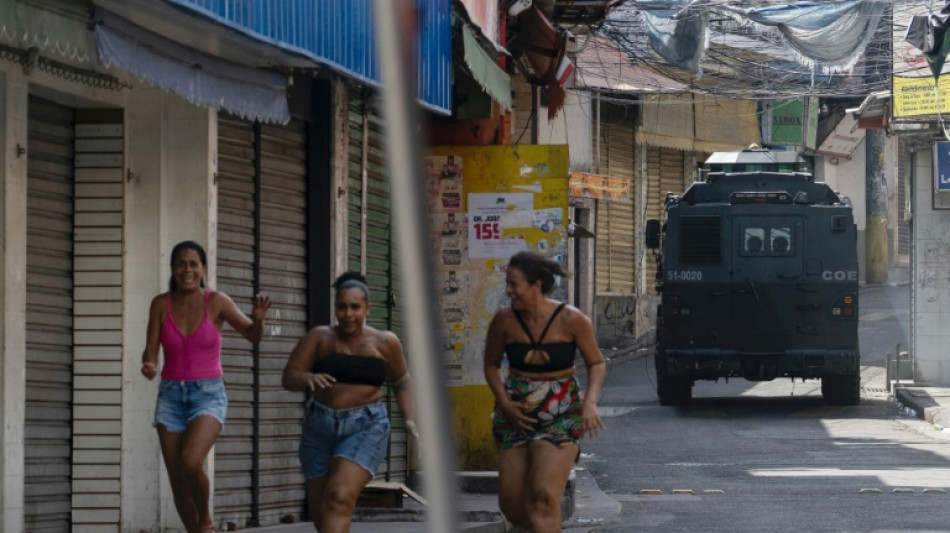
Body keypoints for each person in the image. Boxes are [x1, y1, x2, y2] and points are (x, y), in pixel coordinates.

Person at [141, 240, 271, 533]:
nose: (187, 269)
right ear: (173, 269)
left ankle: (205, 522)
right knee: (177, 479)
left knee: (190, 461)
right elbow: (150, 351)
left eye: (193, 264)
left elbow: (252, 334)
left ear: (203, 268)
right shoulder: (161, 304)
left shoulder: (217, 301)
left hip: (208, 394)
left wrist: (259, 321)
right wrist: (149, 365)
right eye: (181, 264)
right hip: (171, 395)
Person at [282, 271, 417, 533]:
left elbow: (401, 380)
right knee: (322, 513)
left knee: (339, 498)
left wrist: (410, 419)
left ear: (368, 307)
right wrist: (307, 378)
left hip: (366, 427)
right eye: (342, 307)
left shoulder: (386, 342)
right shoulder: (318, 338)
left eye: (355, 307)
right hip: (319, 428)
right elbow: (289, 377)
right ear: (335, 308)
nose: (348, 314)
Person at [484, 251, 606, 533]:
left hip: (561, 411)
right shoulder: (504, 321)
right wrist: (504, 402)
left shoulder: (572, 320)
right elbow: (490, 365)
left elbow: (596, 363)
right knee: (511, 504)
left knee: (544, 497)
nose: (508, 290)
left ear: (535, 286)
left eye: (514, 284)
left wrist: (590, 403)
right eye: (508, 283)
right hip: (515, 411)